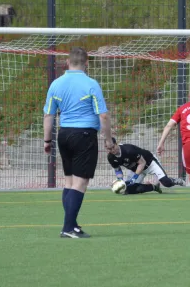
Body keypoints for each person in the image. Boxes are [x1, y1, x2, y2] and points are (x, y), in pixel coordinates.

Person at [43, 47, 114, 238]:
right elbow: (104, 116)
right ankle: (67, 228)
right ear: (87, 63)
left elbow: (48, 115)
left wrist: (47, 140)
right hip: (83, 135)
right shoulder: (91, 84)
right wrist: (109, 140)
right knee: (80, 183)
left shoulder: (56, 84)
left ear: (67, 62)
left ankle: (72, 225)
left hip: (64, 135)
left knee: (69, 181)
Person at [107, 138, 185, 195]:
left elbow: (142, 163)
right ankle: (153, 187)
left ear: (116, 144)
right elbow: (117, 169)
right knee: (127, 190)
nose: (112, 150)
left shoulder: (128, 150)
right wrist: (120, 181)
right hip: (137, 170)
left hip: (150, 163)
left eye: (113, 147)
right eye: (109, 149)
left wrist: (134, 178)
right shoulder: (111, 157)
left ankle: (175, 180)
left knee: (166, 183)